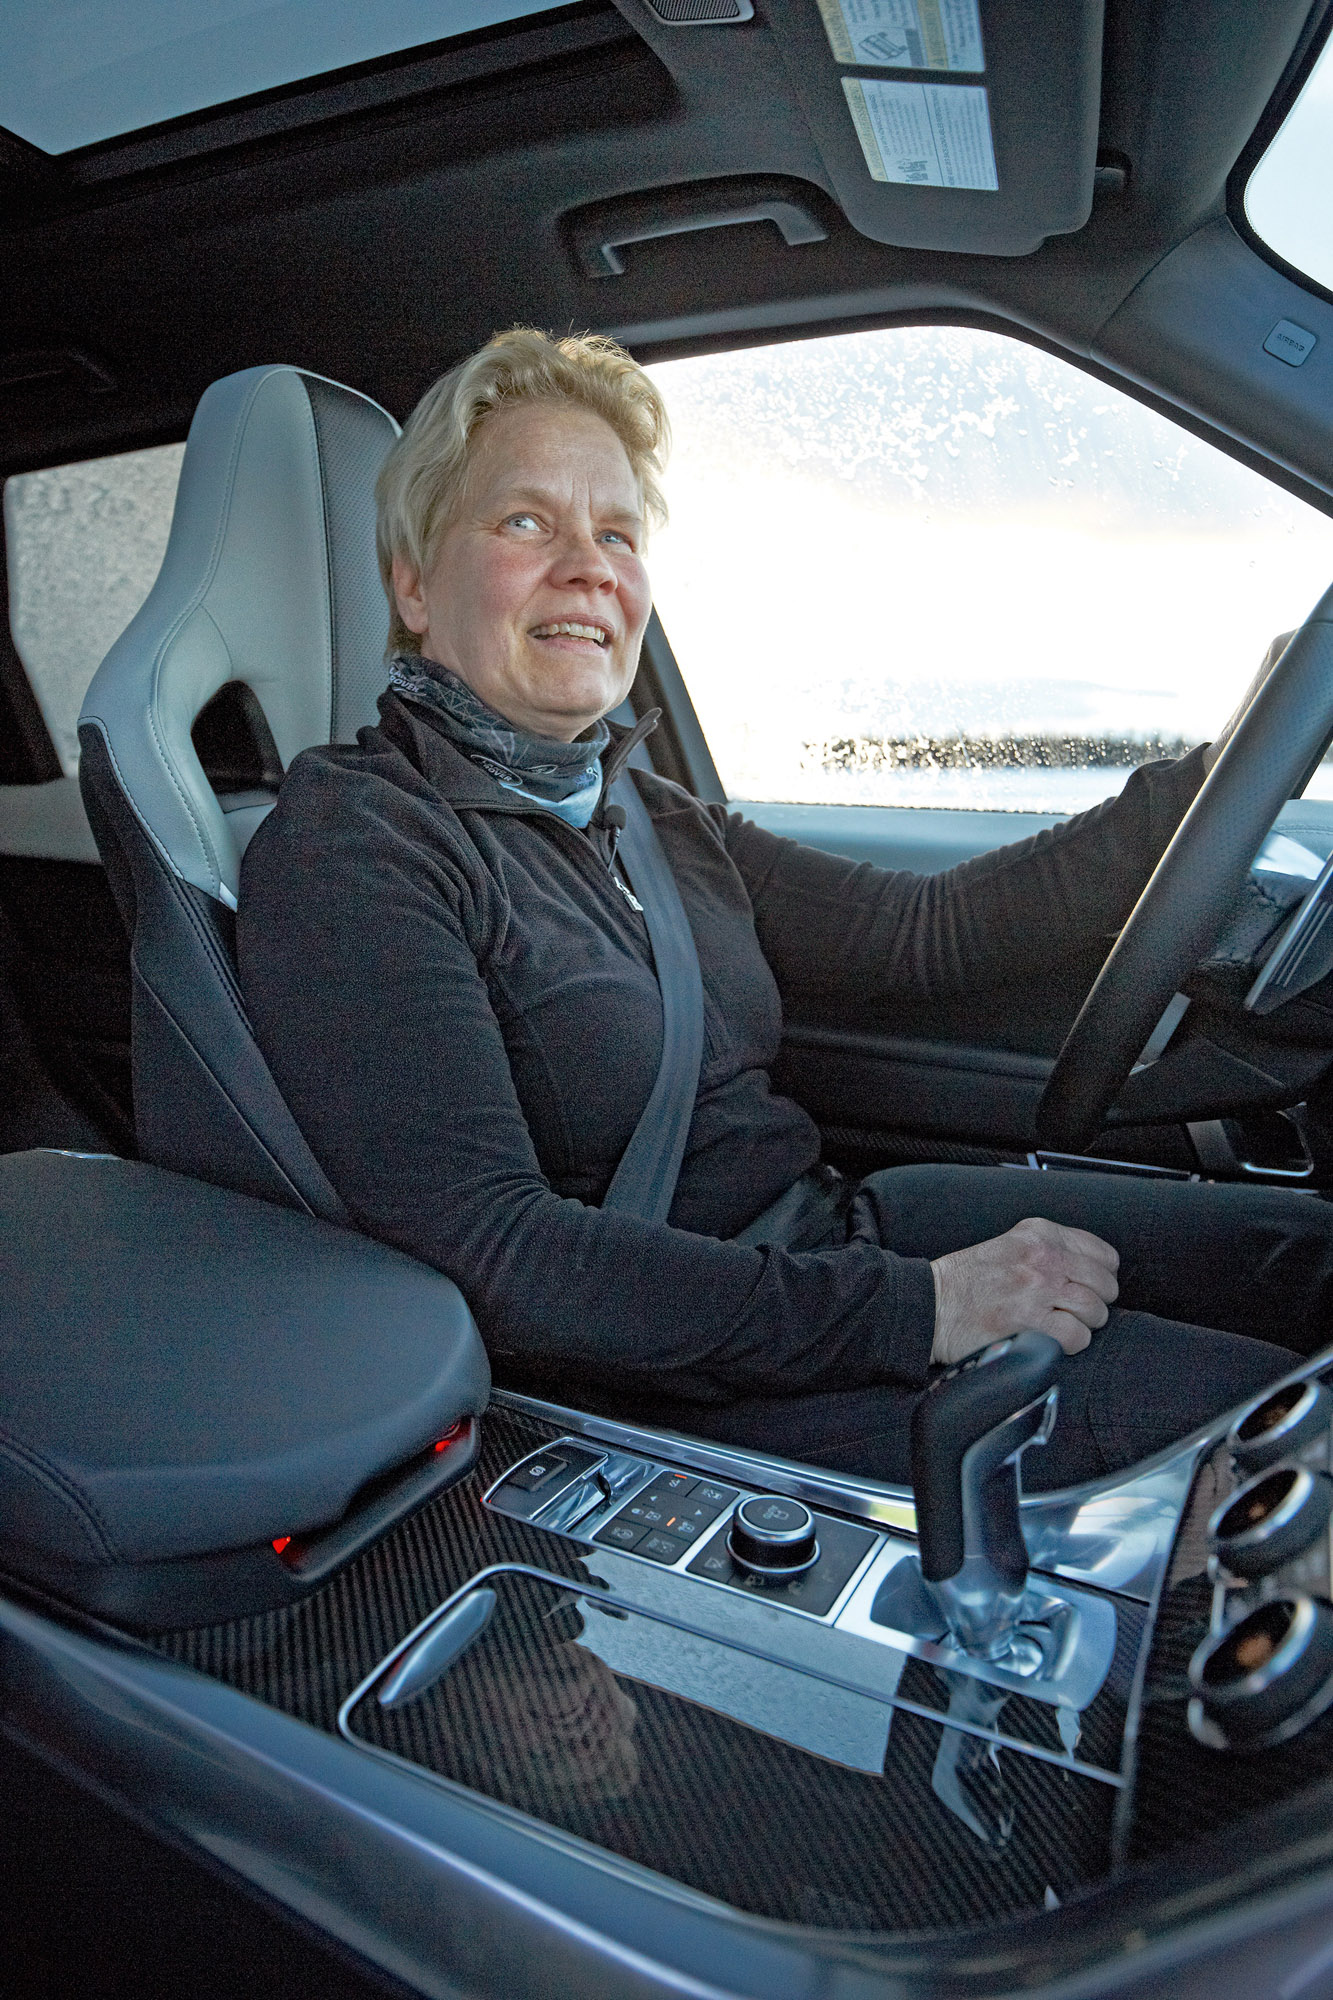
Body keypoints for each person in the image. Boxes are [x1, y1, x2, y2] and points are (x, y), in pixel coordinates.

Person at [237, 327, 1333, 1491]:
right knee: (1268, 1442)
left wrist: (1210, 778)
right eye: (524, 522)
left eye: (617, 532)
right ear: (412, 581)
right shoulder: (359, 836)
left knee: (1299, 1261)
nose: (588, 564)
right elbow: (500, 1252)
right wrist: (922, 1307)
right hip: (673, 1363)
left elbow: (926, 932)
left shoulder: (647, 812)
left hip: (827, 1244)